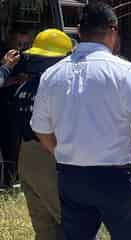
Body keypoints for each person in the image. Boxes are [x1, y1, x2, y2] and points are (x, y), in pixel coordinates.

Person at [31, 3, 131, 240]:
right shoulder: (124, 71)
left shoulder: (52, 75)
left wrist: (61, 152)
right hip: (115, 180)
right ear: (112, 32)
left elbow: (41, 130)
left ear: (80, 33)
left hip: (70, 178)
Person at [14, 28, 75, 240]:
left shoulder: (23, 87)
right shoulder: (58, 87)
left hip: (26, 158)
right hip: (49, 157)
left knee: (44, 229)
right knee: (72, 223)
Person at [0, 28, 33, 188]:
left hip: (15, 109)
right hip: (4, 108)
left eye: (25, 44)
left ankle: (12, 179)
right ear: (8, 39)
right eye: (18, 44)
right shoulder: (6, 58)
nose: (20, 48)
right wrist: (8, 72)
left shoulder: (25, 58)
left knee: (15, 146)